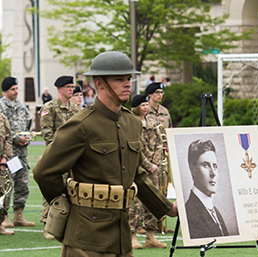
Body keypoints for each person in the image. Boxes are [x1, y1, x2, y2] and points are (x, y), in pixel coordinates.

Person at [33, 51, 177, 256]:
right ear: (99, 83)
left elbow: (136, 175)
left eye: (129, 78)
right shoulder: (81, 125)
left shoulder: (132, 123)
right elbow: (43, 172)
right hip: (85, 240)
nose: (127, 84)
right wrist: (67, 202)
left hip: (121, 238)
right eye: (119, 79)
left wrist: (167, 208)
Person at [39, 75, 82, 239]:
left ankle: (71, 225)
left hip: (76, 157)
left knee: (75, 189)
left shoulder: (77, 109)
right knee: (54, 190)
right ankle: (48, 225)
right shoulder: (49, 108)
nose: (71, 90)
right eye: (68, 87)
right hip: (57, 156)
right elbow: (48, 135)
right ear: (59, 89)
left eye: (72, 87)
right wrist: (60, 153)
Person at [129, 94, 167, 249]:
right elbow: (134, 147)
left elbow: (159, 142)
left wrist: (155, 163)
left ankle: (150, 237)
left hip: (153, 169)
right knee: (135, 203)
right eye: (142, 105)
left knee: (153, 200)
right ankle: (132, 236)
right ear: (136, 107)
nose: (145, 108)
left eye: (146, 105)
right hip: (136, 168)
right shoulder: (130, 122)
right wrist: (147, 165)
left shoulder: (152, 121)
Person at [0, 77, 35, 229]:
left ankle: (19, 215)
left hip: (22, 153)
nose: (16, 91)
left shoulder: (22, 105)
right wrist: (16, 138)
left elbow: (29, 124)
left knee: (23, 184)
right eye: (12, 89)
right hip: (7, 153)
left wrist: (27, 138)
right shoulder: (1, 106)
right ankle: (4, 216)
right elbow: (3, 130)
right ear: (5, 91)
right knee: (7, 185)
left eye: (16, 88)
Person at [185, 139, 229, 239]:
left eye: (215, 166)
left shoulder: (214, 211)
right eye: (206, 165)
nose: (213, 173)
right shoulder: (190, 211)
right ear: (193, 169)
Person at [145, 82, 173, 232]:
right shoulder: (143, 109)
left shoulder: (165, 111)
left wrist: (170, 144)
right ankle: (145, 224)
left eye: (161, 92)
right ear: (150, 94)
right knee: (151, 189)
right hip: (148, 154)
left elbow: (169, 130)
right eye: (157, 92)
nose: (160, 95)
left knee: (163, 188)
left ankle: (160, 223)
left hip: (163, 154)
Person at [0, 112, 14, 235]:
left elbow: (8, 137)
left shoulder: (2, 116)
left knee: (2, 195)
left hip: (1, 163)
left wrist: (5, 157)